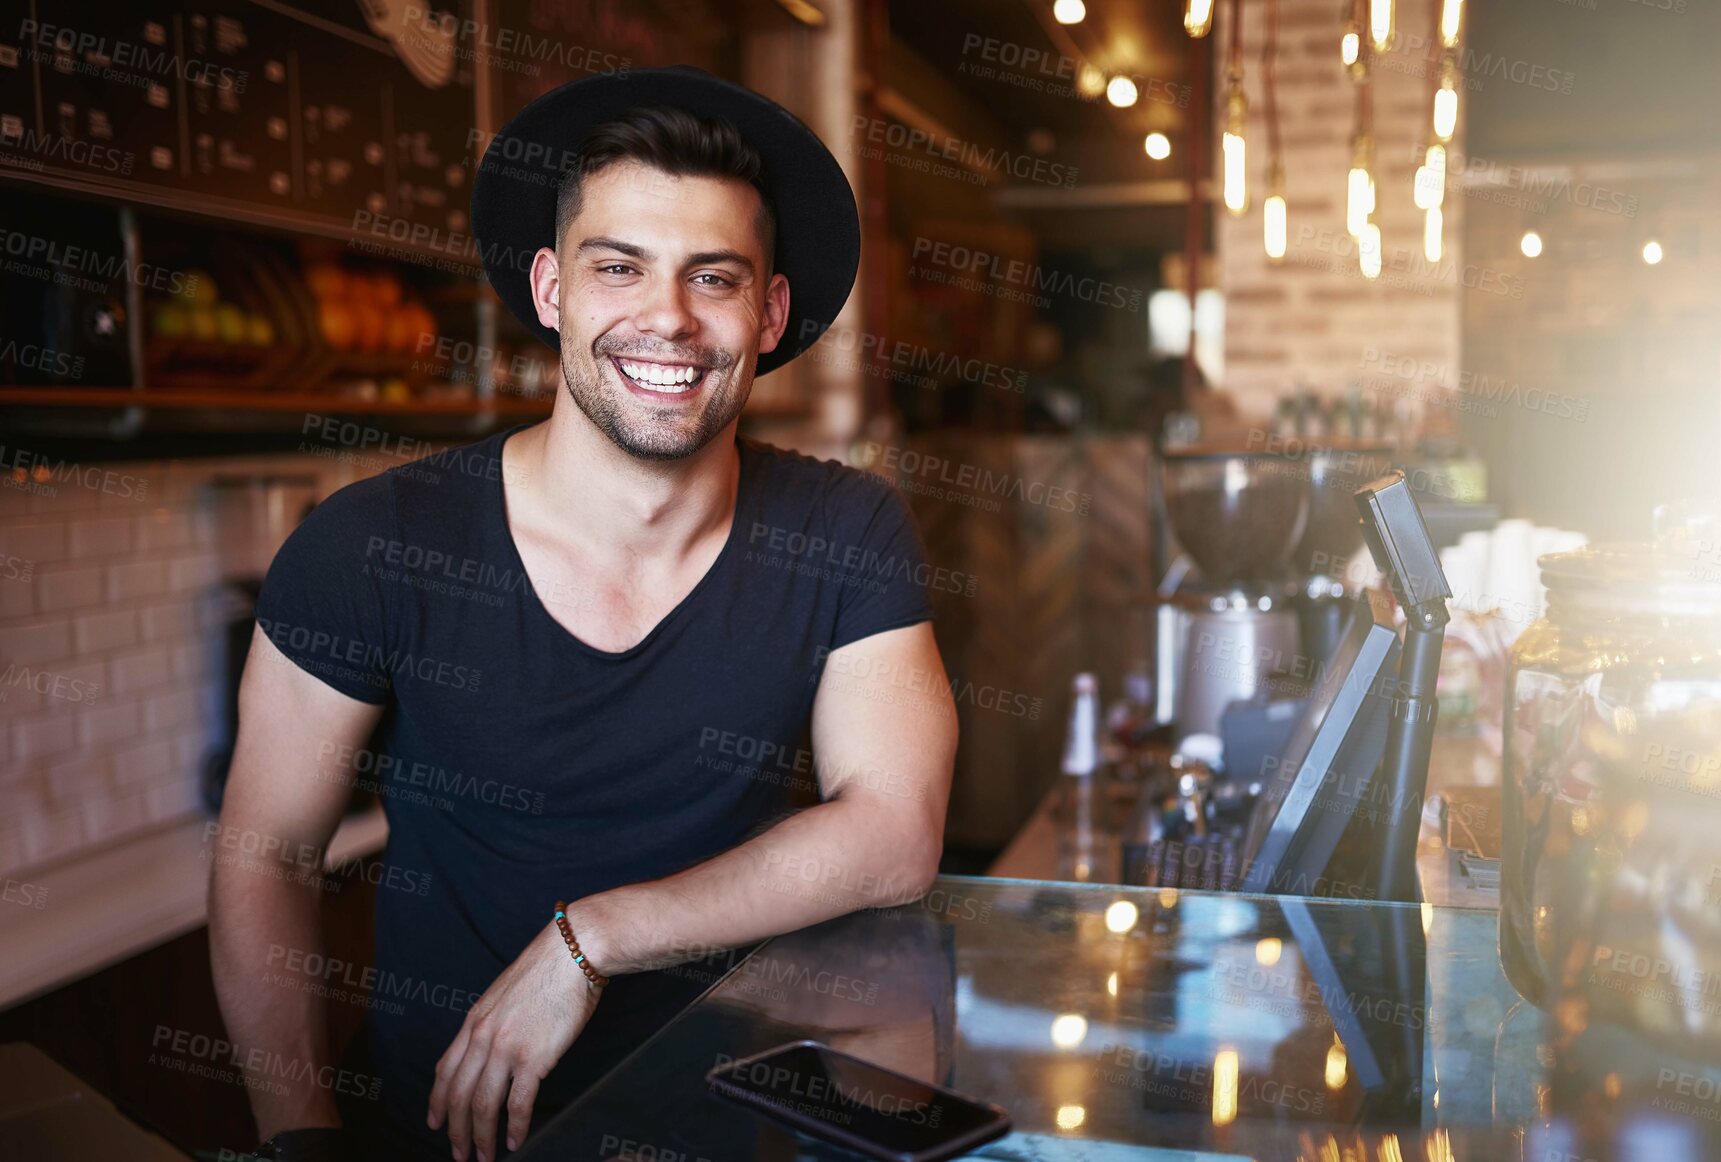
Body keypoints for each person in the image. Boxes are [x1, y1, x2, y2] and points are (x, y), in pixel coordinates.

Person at [209, 68, 957, 1162]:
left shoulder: (843, 530)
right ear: (552, 287)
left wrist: (588, 939)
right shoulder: (372, 545)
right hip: (447, 1131)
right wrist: (298, 1138)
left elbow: (894, 835)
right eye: (621, 268)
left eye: (714, 276)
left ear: (771, 312)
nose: (666, 317)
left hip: (733, 1118)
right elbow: (264, 854)